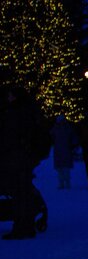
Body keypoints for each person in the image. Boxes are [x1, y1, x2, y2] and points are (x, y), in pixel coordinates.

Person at [0, 85, 49, 239]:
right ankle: (24, 224)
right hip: (23, 159)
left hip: (17, 160)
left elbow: (10, 138)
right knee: (23, 192)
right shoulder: (28, 111)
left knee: (20, 193)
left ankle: (23, 227)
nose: (8, 98)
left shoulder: (17, 113)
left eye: (10, 95)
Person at [51, 114, 76, 189]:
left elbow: (72, 137)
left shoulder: (64, 128)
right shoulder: (60, 128)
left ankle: (64, 183)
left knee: (63, 168)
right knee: (62, 168)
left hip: (63, 150)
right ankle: (62, 183)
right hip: (61, 150)